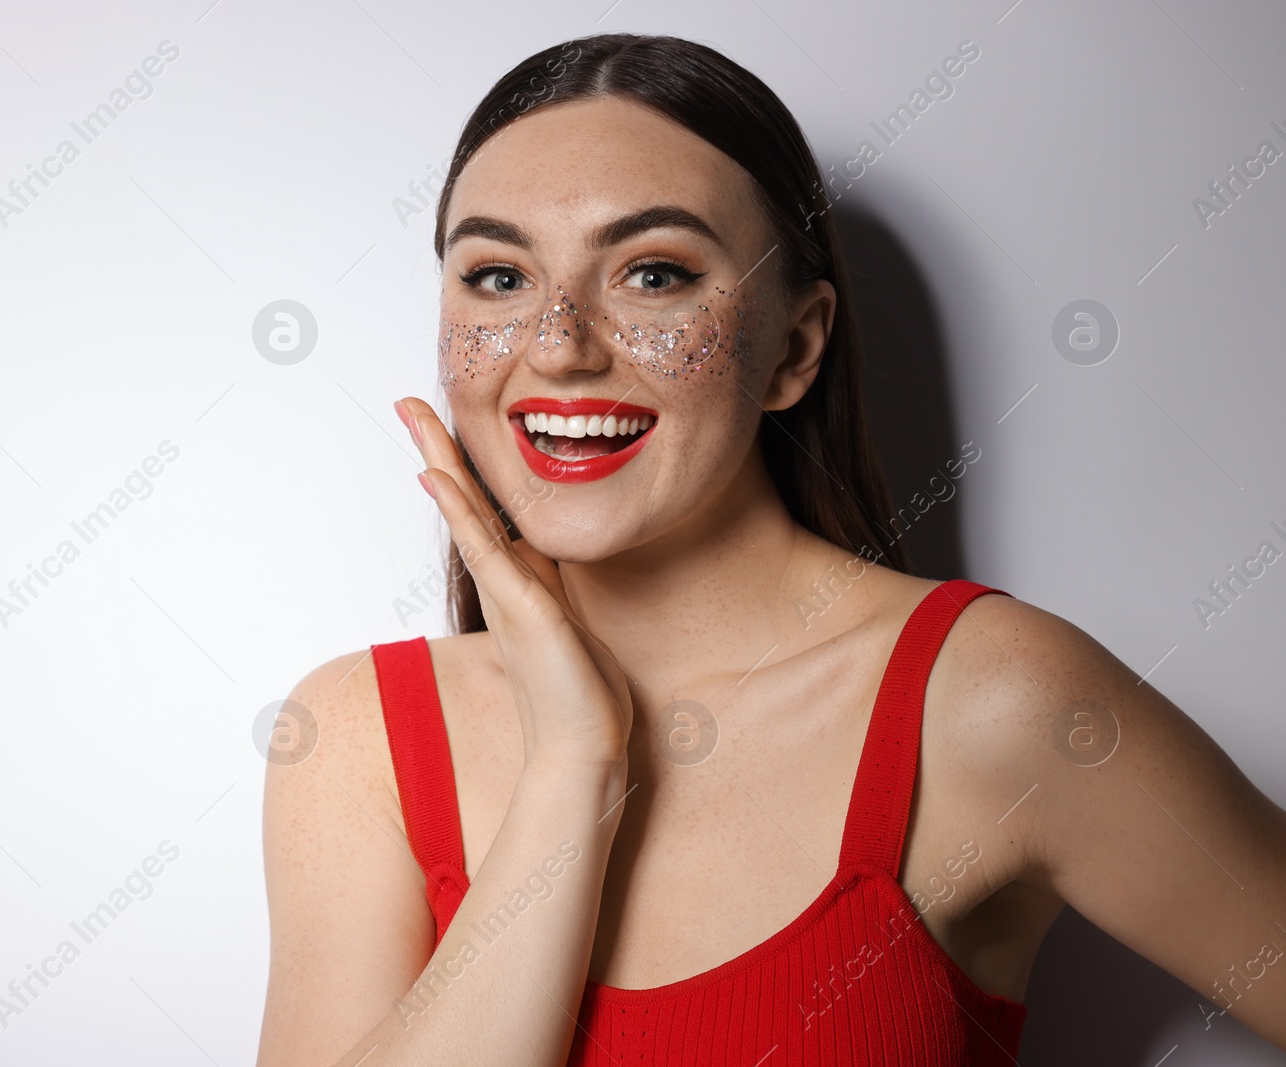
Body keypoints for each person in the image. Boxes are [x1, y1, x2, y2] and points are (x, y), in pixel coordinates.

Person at [256, 32, 1286, 1065]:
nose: (559, 344)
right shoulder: (356, 741)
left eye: (653, 273)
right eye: (496, 276)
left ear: (793, 347)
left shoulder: (990, 698)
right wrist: (574, 762)